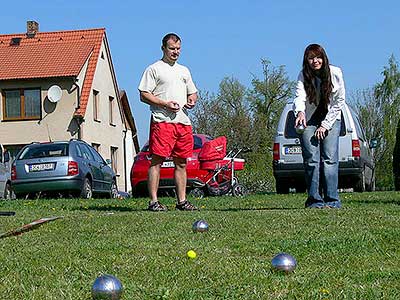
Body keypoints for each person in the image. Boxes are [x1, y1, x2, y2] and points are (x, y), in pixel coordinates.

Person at [138, 33, 198, 212]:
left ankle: (182, 201)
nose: (175, 52)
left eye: (178, 49)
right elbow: (143, 94)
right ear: (163, 48)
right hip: (162, 121)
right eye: (172, 49)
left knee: (181, 163)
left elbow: (193, 92)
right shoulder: (154, 69)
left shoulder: (184, 70)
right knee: (157, 161)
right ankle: (153, 201)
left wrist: (192, 99)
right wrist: (164, 104)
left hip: (182, 122)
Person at [293, 44, 346, 208]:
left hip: (331, 119)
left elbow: (339, 102)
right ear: (306, 60)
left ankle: (332, 199)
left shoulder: (335, 73)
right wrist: (300, 112)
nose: (315, 61)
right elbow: (299, 96)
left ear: (324, 58)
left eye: (318, 57)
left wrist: (325, 125)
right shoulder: (303, 75)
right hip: (309, 120)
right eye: (311, 58)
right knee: (311, 160)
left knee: (329, 159)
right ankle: (314, 200)